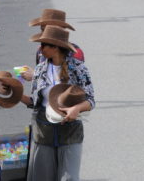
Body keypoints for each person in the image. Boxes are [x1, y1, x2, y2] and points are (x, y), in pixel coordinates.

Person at [21, 26, 94, 181]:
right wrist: (15, 95)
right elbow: (35, 102)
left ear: (55, 47)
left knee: (69, 178)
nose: (40, 49)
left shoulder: (79, 68)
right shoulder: (40, 69)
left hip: (70, 132)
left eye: (43, 45)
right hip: (43, 132)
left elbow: (90, 100)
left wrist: (76, 108)